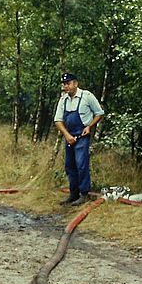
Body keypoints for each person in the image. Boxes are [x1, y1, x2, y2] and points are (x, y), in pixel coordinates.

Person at [54, 72, 105, 206]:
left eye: (68, 84)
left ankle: (84, 194)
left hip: (82, 136)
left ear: (75, 83)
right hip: (69, 137)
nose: (66, 87)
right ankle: (73, 194)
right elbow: (58, 120)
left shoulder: (87, 97)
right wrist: (67, 135)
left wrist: (90, 126)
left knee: (81, 164)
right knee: (70, 166)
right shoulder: (63, 100)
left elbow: (99, 113)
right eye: (64, 84)